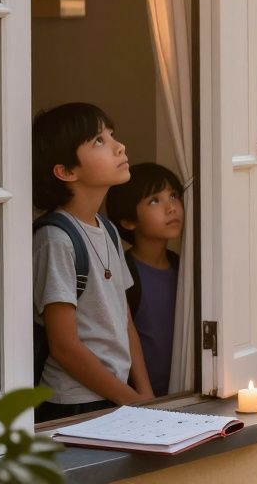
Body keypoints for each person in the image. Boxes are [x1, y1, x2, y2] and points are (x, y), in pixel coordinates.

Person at [32, 103, 154, 422]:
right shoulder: (55, 238)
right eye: (98, 141)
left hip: (115, 397)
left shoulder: (108, 229)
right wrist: (131, 400)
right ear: (66, 171)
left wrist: (146, 396)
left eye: (111, 135)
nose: (118, 146)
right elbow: (64, 346)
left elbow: (125, 322)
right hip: (74, 403)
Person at [106, 163, 185, 399]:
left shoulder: (184, 268)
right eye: (154, 201)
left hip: (183, 394)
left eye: (173, 196)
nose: (171, 207)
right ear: (129, 222)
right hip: (139, 399)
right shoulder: (124, 272)